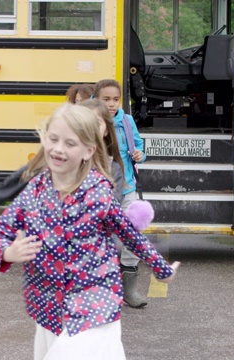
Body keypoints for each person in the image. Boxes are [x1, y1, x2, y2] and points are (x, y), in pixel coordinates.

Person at [0, 103, 180, 360]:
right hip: (48, 305)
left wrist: (162, 269)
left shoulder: (98, 191)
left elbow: (128, 233)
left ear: (88, 150)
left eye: (70, 143)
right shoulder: (34, 190)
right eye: (53, 139)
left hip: (95, 300)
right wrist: (8, 252)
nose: (58, 149)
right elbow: (1, 232)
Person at [93, 78, 149, 308]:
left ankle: (130, 288)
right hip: (98, 192)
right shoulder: (88, 121)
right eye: (106, 99)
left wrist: (139, 155)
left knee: (134, 233)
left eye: (115, 99)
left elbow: (137, 145)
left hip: (126, 188)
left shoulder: (126, 121)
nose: (112, 104)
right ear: (96, 99)